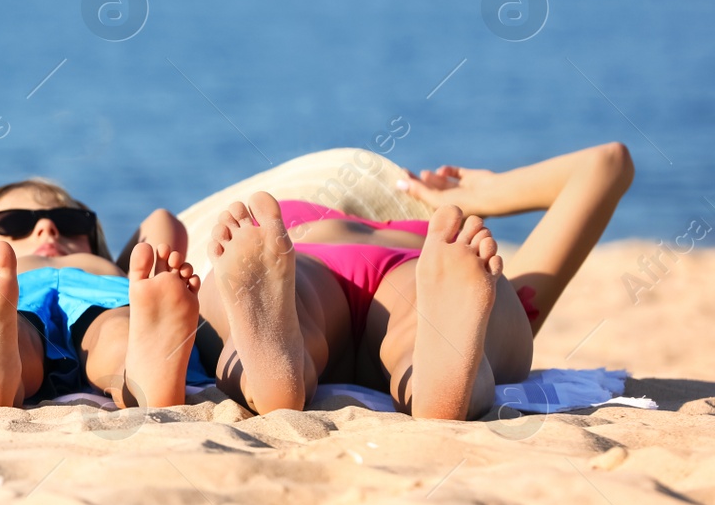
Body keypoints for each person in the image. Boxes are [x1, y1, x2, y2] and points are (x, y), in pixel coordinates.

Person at [196, 142, 635, 419]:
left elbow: (608, 162)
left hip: (301, 263)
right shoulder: (456, 255)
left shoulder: (269, 233)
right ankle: (438, 380)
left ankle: (272, 376)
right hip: (412, 271)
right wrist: (484, 197)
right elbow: (608, 163)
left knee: (282, 305)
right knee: (426, 328)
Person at [0, 179, 206, 408]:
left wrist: (141, 266)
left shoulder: (113, 268)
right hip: (6, 302)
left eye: (70, 222)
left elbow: (162, 221)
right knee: (8, 334)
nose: (47, 227)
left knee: (118, 330)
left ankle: (141, 377)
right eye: (14, 223)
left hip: (104, 296)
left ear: (94, 244)